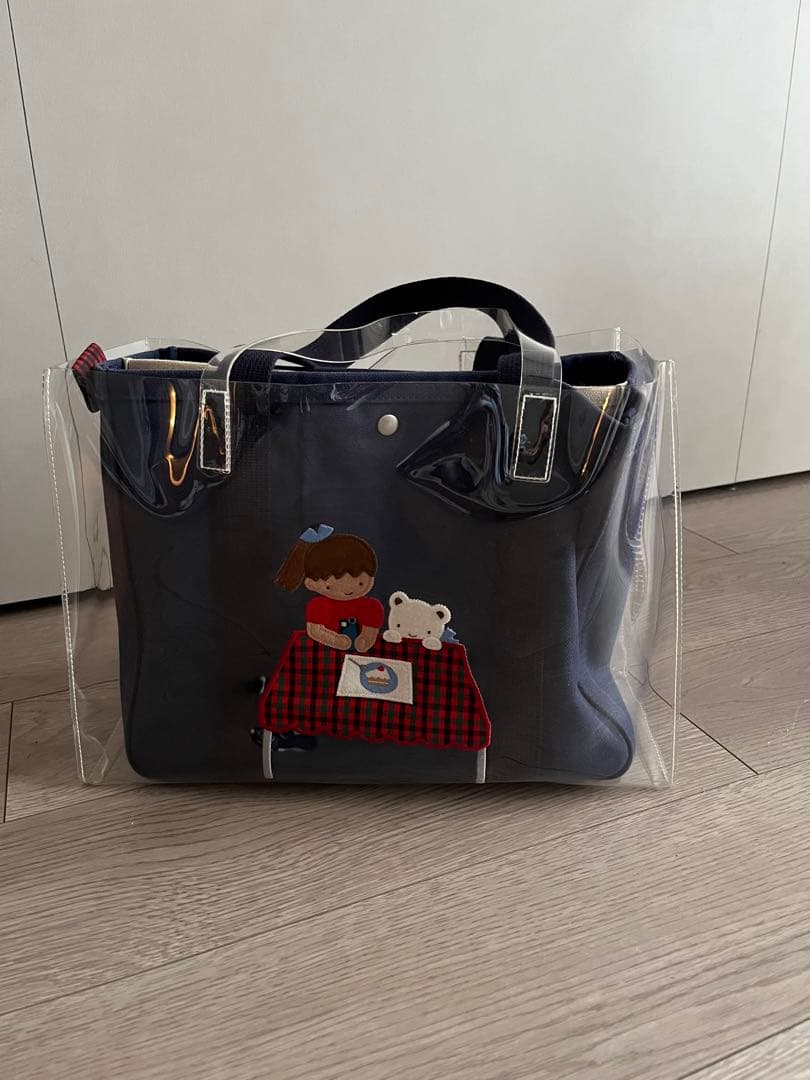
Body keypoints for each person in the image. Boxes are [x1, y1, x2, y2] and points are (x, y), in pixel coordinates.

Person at [274, 524, 384, 653]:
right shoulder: (318, 606)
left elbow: (369, 633)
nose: (347, 590)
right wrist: (336, 640)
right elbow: (316, 631)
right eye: (328, 586)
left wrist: (365, 640)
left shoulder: (371, 606)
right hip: (324, 654)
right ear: (311, 584)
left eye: (360, 583)